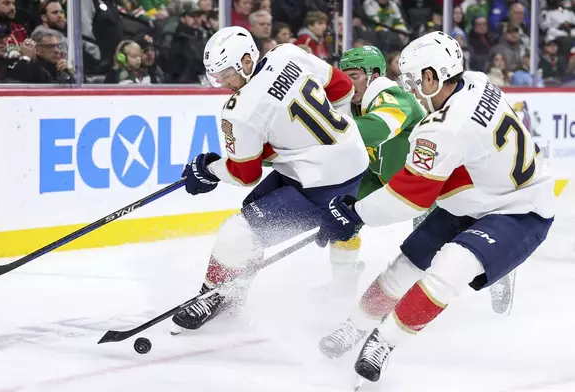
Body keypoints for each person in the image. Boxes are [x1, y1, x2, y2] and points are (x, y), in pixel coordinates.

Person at [316, 31, 554, 386]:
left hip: (519, 210)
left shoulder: (444, 127)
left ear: (433, 77)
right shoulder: (476, 81)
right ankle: (355, 326)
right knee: (405, 265)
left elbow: (408, 199)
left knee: (449, 268)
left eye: (413, 80)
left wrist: (355, 214)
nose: (410, 89)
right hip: (475, 196)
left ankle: (383, 342)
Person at [170, 26, 369, 334]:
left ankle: (215, 293)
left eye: (226, 74)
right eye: (217, 77)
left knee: (238, 231)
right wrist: (327, 137)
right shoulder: (288, 53)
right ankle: (233, 292)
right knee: (254, 208)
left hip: (320, 183)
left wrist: (208, 170)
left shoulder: (240, 110)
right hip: (349, 158)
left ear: (247, 61)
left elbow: (244, 173)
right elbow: (342, 88)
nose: (224, 84)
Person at [320, 46, 426, 299]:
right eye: (344, 76)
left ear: (375, 75)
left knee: (428, 246)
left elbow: (377, 130)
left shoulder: (393, 96)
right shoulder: (349, 104)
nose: (348, 83)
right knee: (340, 214)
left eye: (354, 76)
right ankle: (342, 285)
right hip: (379, 177)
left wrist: (321, 127)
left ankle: (494, 274)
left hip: (426, 181)